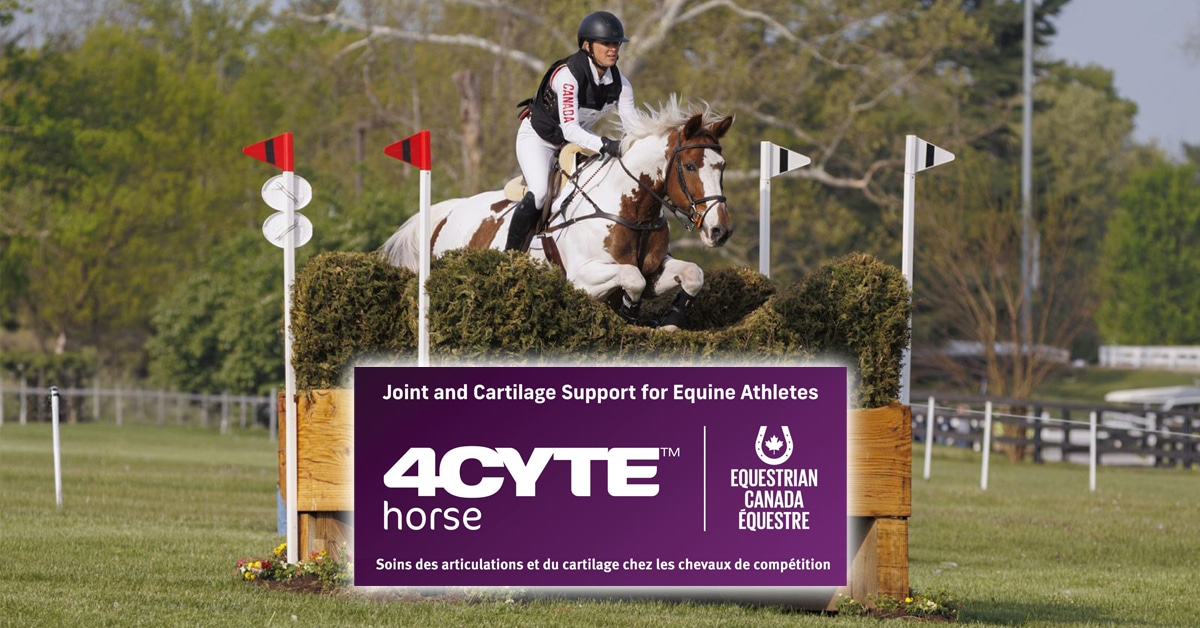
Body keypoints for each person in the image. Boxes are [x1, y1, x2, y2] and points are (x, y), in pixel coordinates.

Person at [506, 10, 638, 251]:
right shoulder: (568, 76)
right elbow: (570, 129)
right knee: (540, 193)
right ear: (587, 45)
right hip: (538, 139)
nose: (613, 49)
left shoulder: (621, 84)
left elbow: (634, 127)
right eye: (606, 43)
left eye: (616, 44)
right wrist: (606, 144)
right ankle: (509, 255)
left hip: (574, 145)